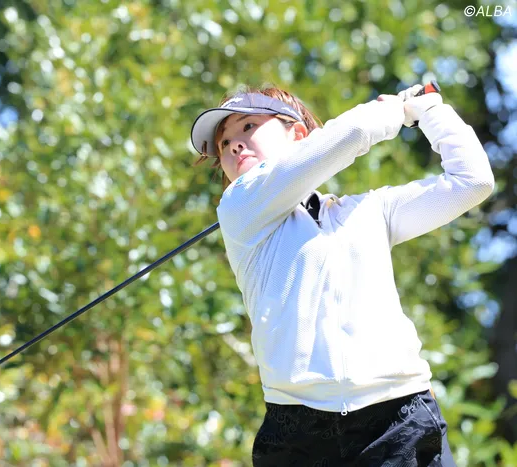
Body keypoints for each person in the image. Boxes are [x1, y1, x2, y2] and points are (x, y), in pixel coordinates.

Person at [190, 84, 495, 465]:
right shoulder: (239, 207)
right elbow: (350, 135)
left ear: (298, 134)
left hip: (398, 421)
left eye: (248, 126)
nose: (234, 145)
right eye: (224, 144)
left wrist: (430, 110)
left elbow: (472, 181)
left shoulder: (370, 211)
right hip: (297, 435)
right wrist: (394, 111)